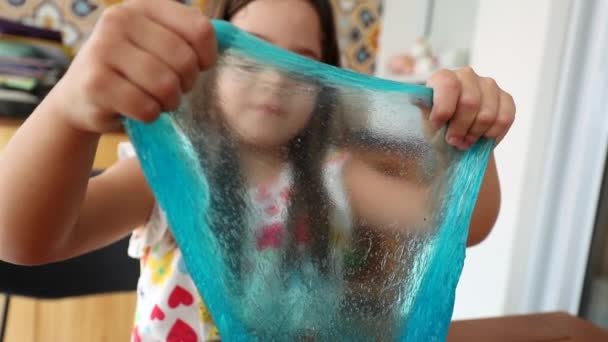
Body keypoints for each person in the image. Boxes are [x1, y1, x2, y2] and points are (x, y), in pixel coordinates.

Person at [0, 0, 515, 340]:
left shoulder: (339, 177)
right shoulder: (168, 173)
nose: (273, 80)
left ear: (326, 83)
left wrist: (467, 137)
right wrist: (70, 106)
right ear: (205, 65)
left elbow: (461, 225)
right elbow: (23, 238)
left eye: (300, 63)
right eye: (250, 56)